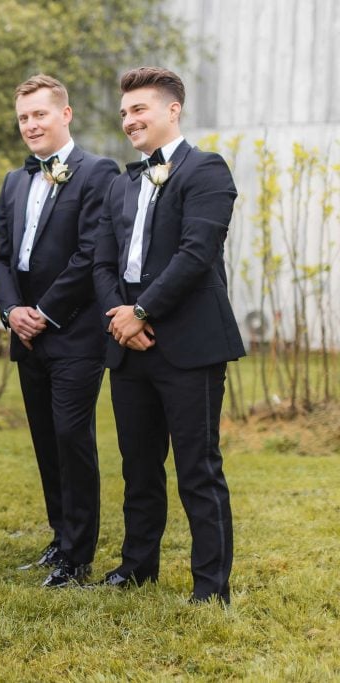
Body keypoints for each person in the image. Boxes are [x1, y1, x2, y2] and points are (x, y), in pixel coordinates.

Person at [92, 66, 242, 604]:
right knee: (138, 466)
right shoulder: (121, 183)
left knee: (198, 468)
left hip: (189, 346)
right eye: (125, 112)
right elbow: (102, 260)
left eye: (140, 109)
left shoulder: (207, 171)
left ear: (172, 109)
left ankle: (210, 587)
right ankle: (137, 568)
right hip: (128, 347)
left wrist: (144, 312)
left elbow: (196, 255)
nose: (129, 120)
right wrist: (119, 316)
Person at [0, 74, 118, 587]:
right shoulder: (15, 180)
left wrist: (43, 309)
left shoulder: (97, 171)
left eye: (39, 114)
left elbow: (91, 253)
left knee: (71, 436)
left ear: (65, 114)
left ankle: (77, 556)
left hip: (76, 332)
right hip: (25, 334)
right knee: (44, 438)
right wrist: (12, 310)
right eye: (23, 117)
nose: (30, 125)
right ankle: (60, 536)